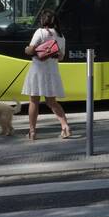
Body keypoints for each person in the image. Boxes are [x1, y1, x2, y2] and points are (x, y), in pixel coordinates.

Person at [24, 9, 71, 140]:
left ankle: (32, 132)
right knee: (52, 102)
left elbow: (30, 49)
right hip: (52, 71)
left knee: (34, 101)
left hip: (38, 70)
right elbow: (61, 57)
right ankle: (65, 126)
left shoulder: (40, 32)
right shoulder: (61, 36)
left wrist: (27, 50)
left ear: (43, 20)